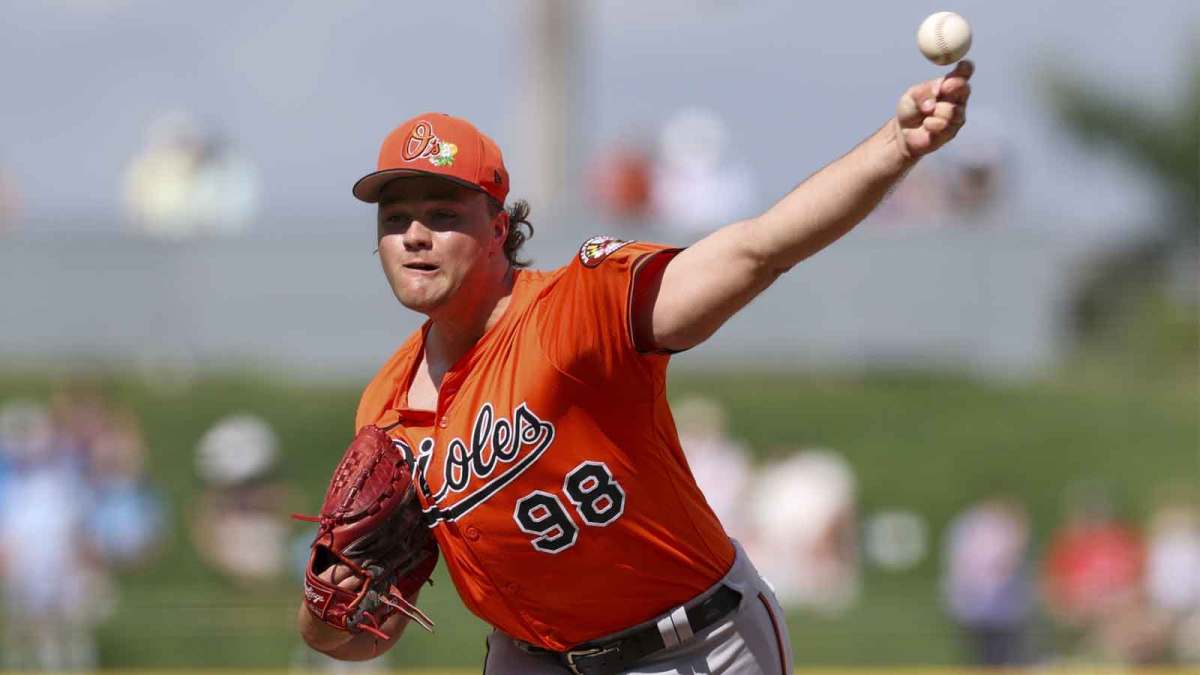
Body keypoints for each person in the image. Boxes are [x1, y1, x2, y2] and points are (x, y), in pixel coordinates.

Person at [297, 60, 975, 674]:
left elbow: (758, 250)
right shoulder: (385, 408)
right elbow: (360, 635)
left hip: (691, 647)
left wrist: (895, 148)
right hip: (529, 659)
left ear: (499, 227)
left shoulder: (577, 309)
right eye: (396, 217)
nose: (415, 234)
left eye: (443, 213)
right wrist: (322, 604)